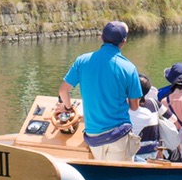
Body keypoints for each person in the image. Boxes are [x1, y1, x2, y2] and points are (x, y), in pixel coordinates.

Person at [59, 20, 141, 162]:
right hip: (118, 136)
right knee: (118, 179)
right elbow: (134, 106)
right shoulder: (129, 68)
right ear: (124, 42)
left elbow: (63, 91)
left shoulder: (82, 61)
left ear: (101, 37)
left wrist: (68, 107)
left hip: (93, 137)